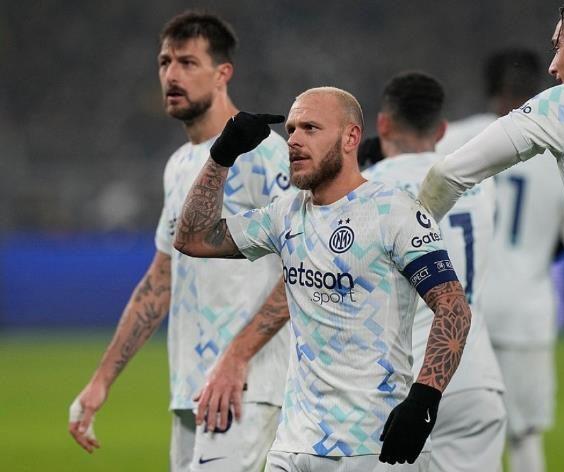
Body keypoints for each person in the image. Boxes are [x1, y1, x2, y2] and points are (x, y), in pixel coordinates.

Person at [173, 87, 473, 470]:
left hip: (374, 444)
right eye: (291, 129)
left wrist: (424, 397)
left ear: (350, 137)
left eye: (310, 128)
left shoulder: (394, 212)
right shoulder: (284, 215)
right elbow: (193, 238)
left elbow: (453, 307)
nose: (293, 140)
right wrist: (221, 155)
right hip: (294, 444)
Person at [418, 1, 564, 471]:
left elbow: (446, 176)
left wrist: (405, 245)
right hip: (531, 315)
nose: (552, 66)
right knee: (527, 439)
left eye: (559, 46)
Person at [68, 11, 292, 472]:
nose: (172, 74)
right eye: (165, 62)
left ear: (223, 73)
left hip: (247, 386)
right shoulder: (179, 165)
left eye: (188, 62)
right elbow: (161, 279)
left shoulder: (266, 154)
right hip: (191, 388)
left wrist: (237, 358)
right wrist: (101, 380)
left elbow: (304, 267)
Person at [363, 71, 506, 472]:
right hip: (475, 377)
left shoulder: (367, 189)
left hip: (403, 382)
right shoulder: (481, 185)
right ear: (442, 130)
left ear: (383, 124)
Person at [442, 49, 564, 472]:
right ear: (538, 88)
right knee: (525, 437)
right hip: (525, 314)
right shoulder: (559, 148)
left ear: (489, 87)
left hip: (459, 312)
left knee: (459, 437)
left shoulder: (454, 139)